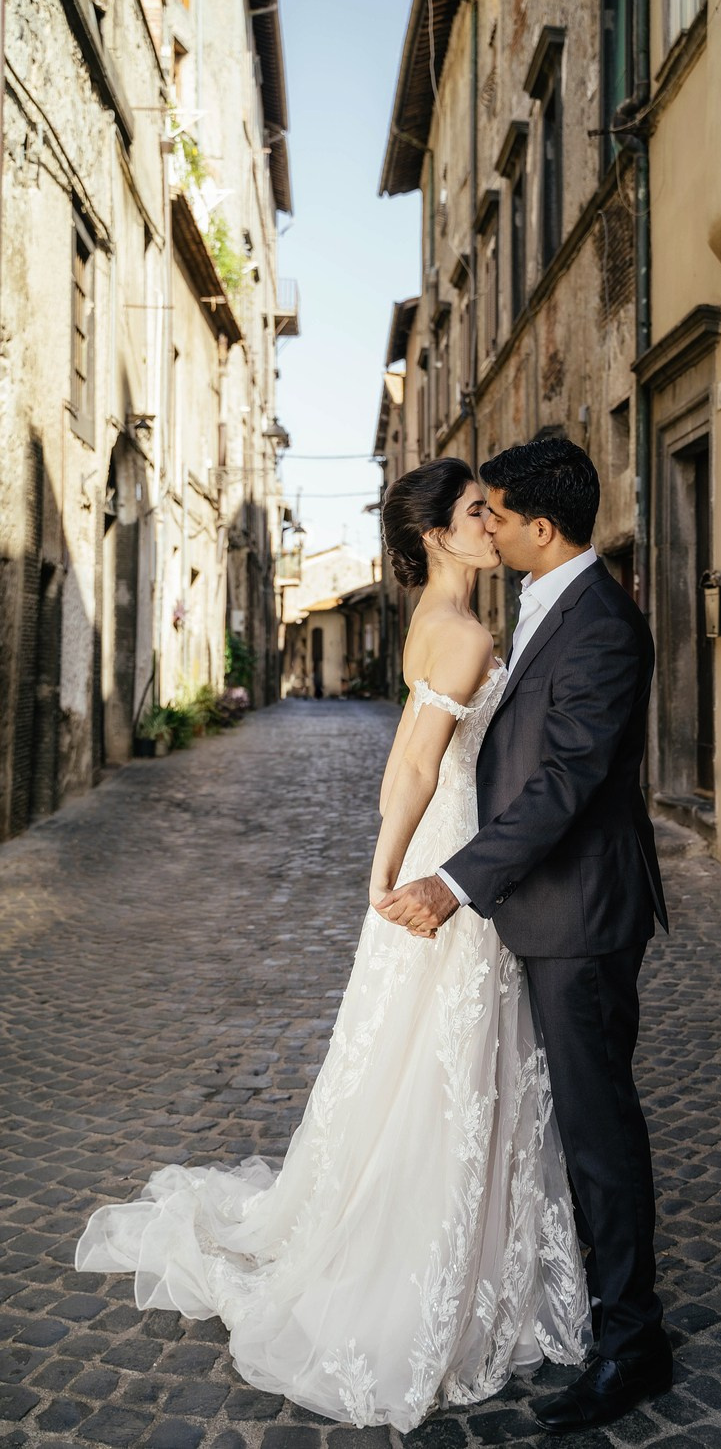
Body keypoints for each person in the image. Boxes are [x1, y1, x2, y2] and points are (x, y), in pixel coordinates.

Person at [75, 457, 589, 1433]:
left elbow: (408, 759)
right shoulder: (469, 634)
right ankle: (435, 1257)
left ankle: (455, 1239)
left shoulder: (433, 626)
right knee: (451, 1057)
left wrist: (385, 859)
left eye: (492, 509)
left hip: (447, 848)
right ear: (437, 534)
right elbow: (416, 761)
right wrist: (389, 868)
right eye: (478, 511)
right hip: (456, 860)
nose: (495, 521)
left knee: (425, 1050)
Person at [377, 438, 672, 1434]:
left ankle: (634, 1341)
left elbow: (567, 784)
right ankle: (564, 1287)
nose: (484, 524)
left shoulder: (602, 627)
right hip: (536, 900)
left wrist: (455, 880)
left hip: (579, 912)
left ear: (540, 528)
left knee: (596, 1128)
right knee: (553, 1115)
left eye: (495, 512)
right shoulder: (544, 604)